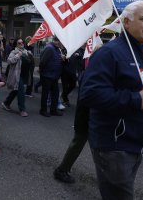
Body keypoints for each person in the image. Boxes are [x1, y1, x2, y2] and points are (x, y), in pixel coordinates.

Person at [79, 0, 143, 199]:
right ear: (126, 22)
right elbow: (89, 94)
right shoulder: (109, 52)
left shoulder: (141, 54)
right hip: (115, 146)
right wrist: (135, 99)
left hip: (134, 145)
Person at [53, 44, 102, 184]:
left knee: (91, 147)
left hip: (89, 117)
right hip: (86, 116)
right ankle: (61, 170)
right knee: (80, 143)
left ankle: (63, 170)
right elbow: (89, 97)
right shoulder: (91, 73)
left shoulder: (94, 71)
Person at [1, 38, 30, 117]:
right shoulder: (14, 52)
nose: (21, 44)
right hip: (17, 75)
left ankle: (6, 103)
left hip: (25, 75)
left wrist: (29, 55)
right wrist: (17, 56)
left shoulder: (26, 52)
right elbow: (9, 61)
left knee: (16, 90)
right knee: (21, 91)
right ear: (16, 44)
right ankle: (22, 109)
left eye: (22, 43)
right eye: (19, 43)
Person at [39, 36, 64, 117]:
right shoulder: (49, 48)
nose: (60, 43)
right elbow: (42, 62)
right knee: (45, 94)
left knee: (55, 94)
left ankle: (53, 110)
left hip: (54, 76)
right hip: (47, 75)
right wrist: (42, 73)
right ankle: (43, 110)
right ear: (55, 41)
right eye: (58, 41)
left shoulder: (57, 49)